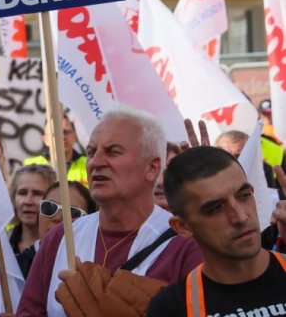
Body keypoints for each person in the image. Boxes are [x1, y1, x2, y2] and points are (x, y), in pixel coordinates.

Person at [17, 107, 203, 317]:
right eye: (91, 152)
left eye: (113, 151)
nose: (95, 162)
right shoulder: (60, 237)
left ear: (152, 167)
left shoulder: (185, 243)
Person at [147, 147, 286, 316]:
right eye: (215, 208)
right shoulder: (172, 308)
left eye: (244, 195)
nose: (241, 217)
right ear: (182, 226)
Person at [17, 181, 97, 279]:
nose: (58, 218)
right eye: (49, 207)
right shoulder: (14, 268)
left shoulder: (97, 271)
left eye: (73, 213)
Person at [24, 114, 88, 186]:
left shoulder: (89, 165)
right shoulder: (30, 166)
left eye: (66, 132)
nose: (62, 136)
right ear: (46, 140)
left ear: (75, 136)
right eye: (56, 133)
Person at [8, 164, 56, 254]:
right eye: (22, 193)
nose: (28, 201)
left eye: (37, 193)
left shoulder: (63, 246)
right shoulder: (3, 247)